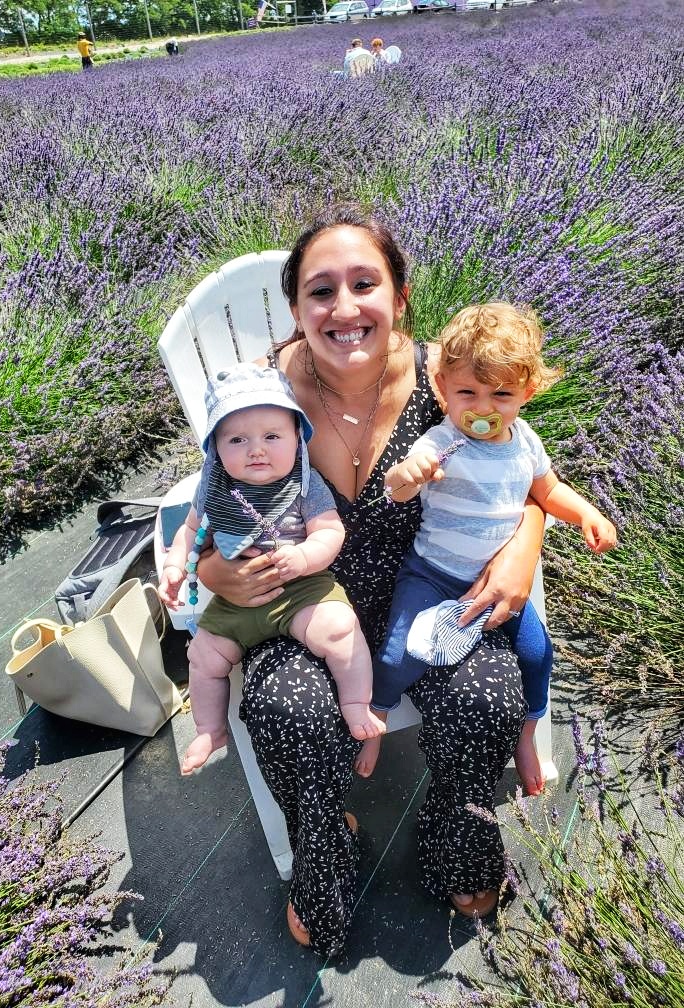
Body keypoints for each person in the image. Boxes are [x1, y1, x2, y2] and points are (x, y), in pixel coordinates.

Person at [195, 206, 546, 955]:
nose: (344, 308)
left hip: (433, 588)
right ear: (296, 309)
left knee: (488, 692)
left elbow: (525, 475)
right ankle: (326, 843)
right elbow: (205, 499)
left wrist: (526, 542)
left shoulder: (450, 379)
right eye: (321, 291)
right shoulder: (261, 397)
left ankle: (456, 827)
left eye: (365, 284)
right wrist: (209, 568)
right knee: (285, 708)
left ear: (401, 295)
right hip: (302, 603)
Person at [355, 302, 618, 789]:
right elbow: (401, 485)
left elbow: (548, 491)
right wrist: (407, 476)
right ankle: (377, 717)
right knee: (396, 654)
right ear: (442, 390)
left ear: (527, 393)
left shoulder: (526, 443)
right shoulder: (442, 441)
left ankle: (527, 731)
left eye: (501, 394)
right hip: (433, 576)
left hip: (497, 582)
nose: (482, 408)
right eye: (467, 393)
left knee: (539, 653)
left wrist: (587, 513)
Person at [159, 364, 385, 775]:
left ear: (298, 438)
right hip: (233, 604)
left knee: (338, 628)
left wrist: (305, 556)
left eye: (271, 436)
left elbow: (330, 531)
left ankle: (356, 704)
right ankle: (210, 729)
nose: (255, 450)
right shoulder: (213, 489)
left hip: (300, 589)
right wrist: (176, 565)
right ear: (215, 449)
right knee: (203, 656)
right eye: (237, 440)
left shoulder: (304, 483)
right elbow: (191, 532)